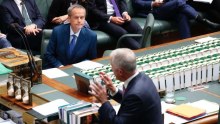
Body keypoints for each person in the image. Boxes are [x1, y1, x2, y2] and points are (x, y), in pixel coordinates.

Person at [89, 48, 162, 124]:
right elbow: (130, 103)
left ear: (120, 72)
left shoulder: (135, 95)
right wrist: (114, 90)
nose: (112, 70)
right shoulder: (144, 77)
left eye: (112, 67)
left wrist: (104, 101)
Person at [43, 4, 97, 69]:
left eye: (82, 17)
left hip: (78, 70)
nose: (79, 20)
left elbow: (91, 58)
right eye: (76, 17)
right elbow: (49, 54)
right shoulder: (57, 31)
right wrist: (60, 66)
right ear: (69, 18)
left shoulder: (91, 36)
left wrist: (77, 67)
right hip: (58, 69)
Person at [131, 0, 220, 39]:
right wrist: (153, 3)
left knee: (181, 15)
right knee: (178, 2)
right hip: (151, 10)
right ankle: (203, 21)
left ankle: (187, 44)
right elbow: (136, 3)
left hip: (165, 7)